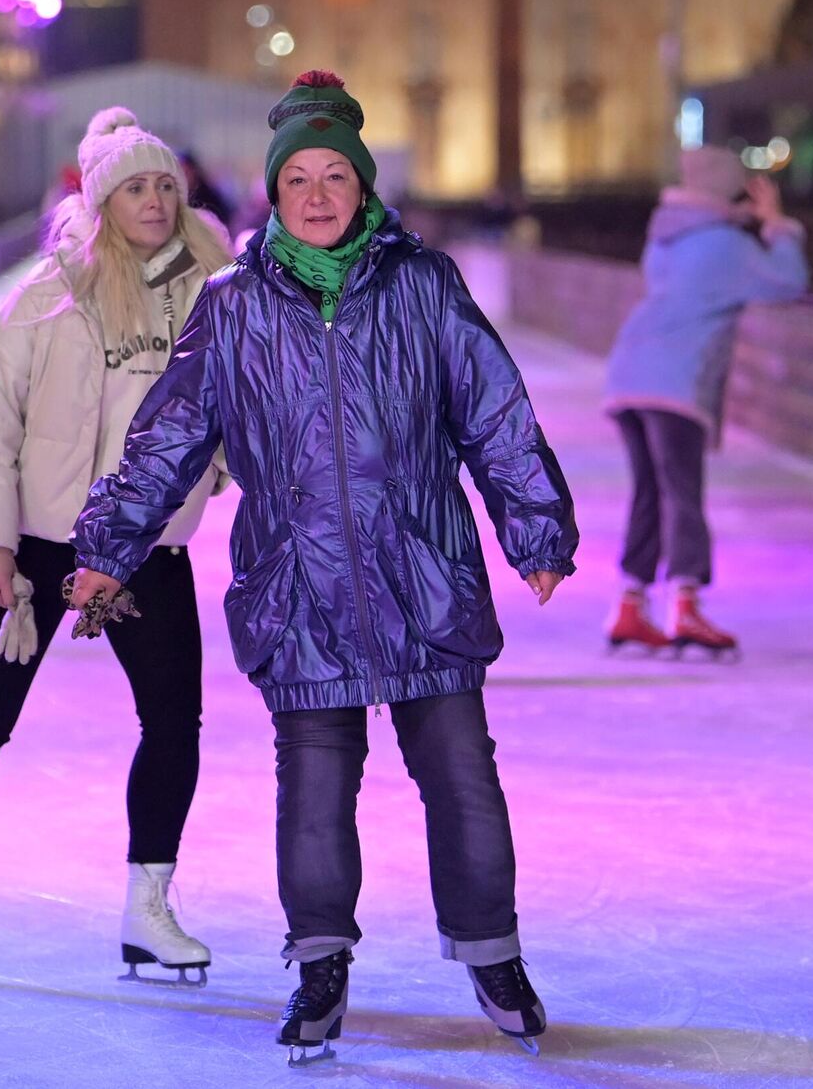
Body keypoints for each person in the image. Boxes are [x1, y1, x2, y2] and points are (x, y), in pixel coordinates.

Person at [66, 71, 577, 1059]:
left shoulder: (424, 285)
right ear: (273, 191)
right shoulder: (235, 305)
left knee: (463, 780)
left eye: (333, 173)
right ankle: (320, 964)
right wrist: (107, 548)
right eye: (296, 177)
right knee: (312, 787)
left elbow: (494, 412)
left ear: (362, 183)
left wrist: (535, 524)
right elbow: (166, 441)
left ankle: (492, 950)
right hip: (300, 588)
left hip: (423, 573)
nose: (315, 193)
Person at [0, 108, 233, 984]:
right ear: (100, 199)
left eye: (165, 185)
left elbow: (228, 402)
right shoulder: (48, 294)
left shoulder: (205, 294)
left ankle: (149, 905)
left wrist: (210, 472)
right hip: (39, 545)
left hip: (143, 547)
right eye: (135, 186)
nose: (153, 200)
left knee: (175, 720)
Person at [599, 147, 809, 658]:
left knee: (650, 491)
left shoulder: (665, 239)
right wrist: (778, 225)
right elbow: (789, 281)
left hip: (629, 371)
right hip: (676, 380)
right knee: (682, 492)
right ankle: (685, 605)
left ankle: (631, 603)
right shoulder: (725, 247)